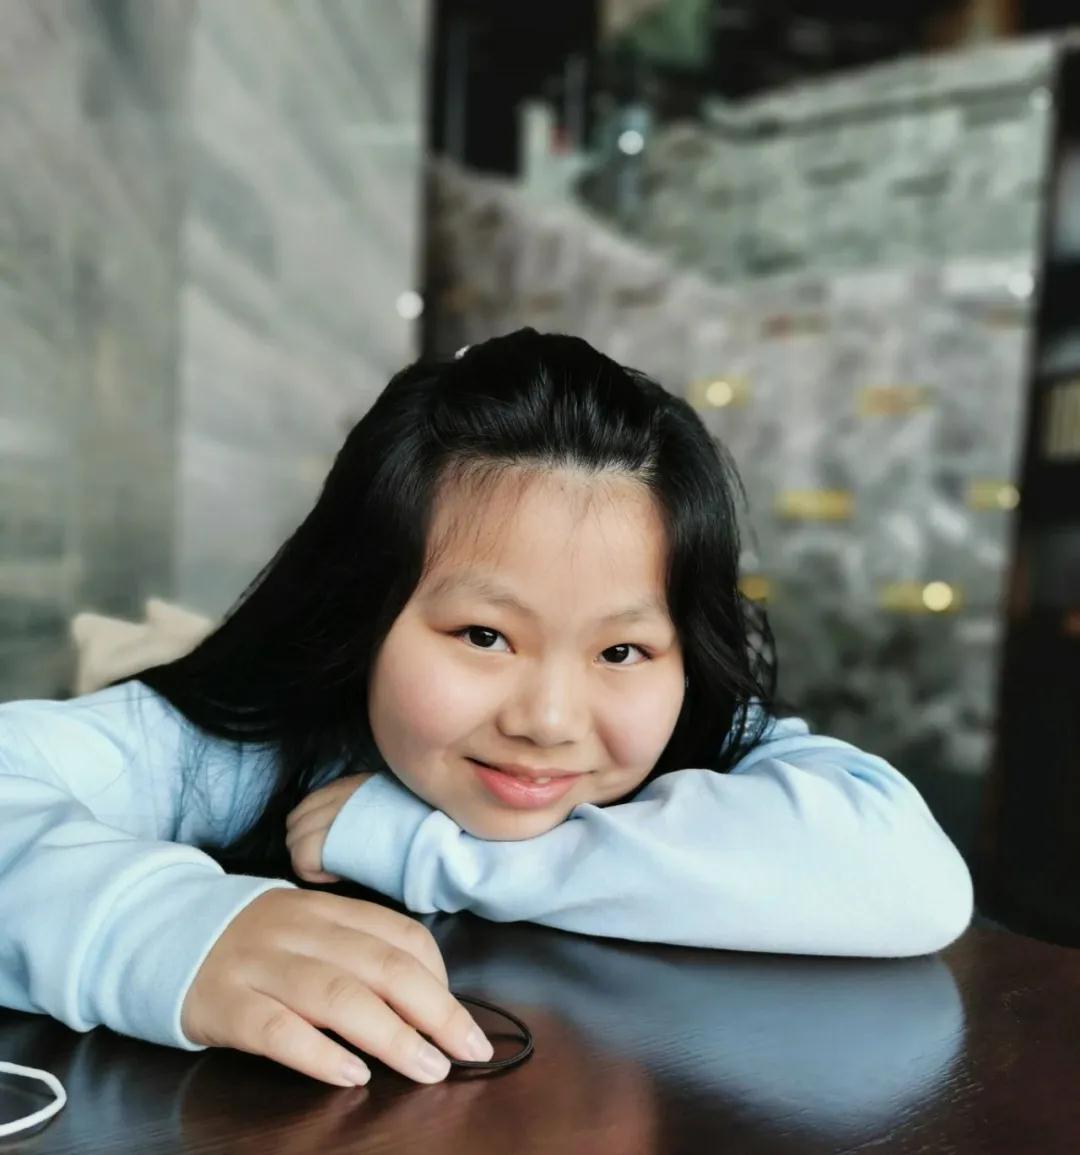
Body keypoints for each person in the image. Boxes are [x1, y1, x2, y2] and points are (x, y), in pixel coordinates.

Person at [0, 329, 973, 1096]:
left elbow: (910, 881)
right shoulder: (243, 750)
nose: (549, 718)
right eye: (484, 635)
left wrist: (425, 846)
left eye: (622, 651)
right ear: (363, 611)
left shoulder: (704, 736)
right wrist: (155, 927)